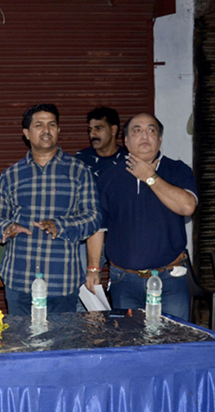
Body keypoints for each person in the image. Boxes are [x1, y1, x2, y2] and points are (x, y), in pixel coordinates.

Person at [0, 104, 100, 315]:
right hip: (19, 277)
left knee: (61, 345)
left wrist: (61, 225)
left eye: (52, 125)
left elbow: (93, 217)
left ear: (58, 130)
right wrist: (7, 226)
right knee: (22, 345)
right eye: (39, 125)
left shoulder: (79, 172)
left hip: (62, 278)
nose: (46, 131)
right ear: (27, 133)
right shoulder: (11, 175)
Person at [86, 113, 196, 320]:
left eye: (151, 130)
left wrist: (150, 177)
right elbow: (98, 227)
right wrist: (93, 268)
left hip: (170, 279)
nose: (145, 135)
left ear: (160, 140)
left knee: (174, 345)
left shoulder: (176, 170)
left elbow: (187, 206)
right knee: (131, 346)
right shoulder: (109, 178)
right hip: (124, 282)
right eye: (137, 130)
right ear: (126, 141)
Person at [74, 107, 129, 280]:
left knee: (122, 283)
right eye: (90, 130)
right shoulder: (81, 159)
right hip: (88, 236)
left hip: (122, 236)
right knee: (84, 285)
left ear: (113, 130)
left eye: (99, 128)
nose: (93, 134)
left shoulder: (129, 159)